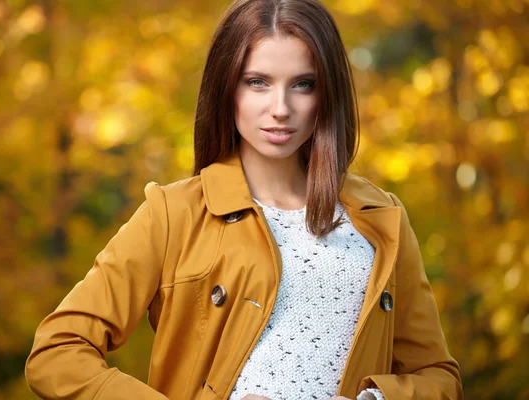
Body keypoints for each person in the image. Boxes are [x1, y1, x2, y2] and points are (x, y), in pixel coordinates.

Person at [25, 0, 463, 399]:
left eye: (303, 84)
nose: (280, 107)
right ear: (227, 88)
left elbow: (439, 377)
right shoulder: (174, 214)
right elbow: (57, 353)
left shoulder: (381, 218)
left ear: (326, 94)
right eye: (257, 82)